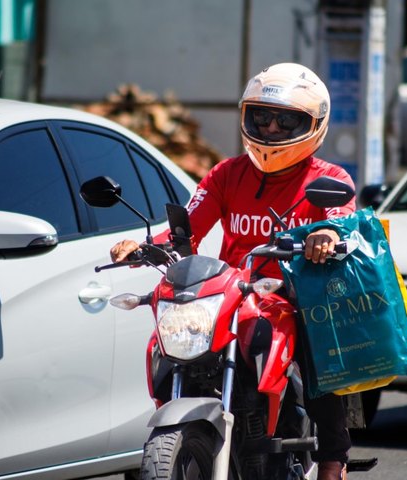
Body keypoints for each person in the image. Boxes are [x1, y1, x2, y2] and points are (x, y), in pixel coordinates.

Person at [110, 62, 356, 480]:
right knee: (172, 344)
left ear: (313, 124)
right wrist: (145, 247)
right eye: (262, 116)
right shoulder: (227, 173)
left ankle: (333, 460)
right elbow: (186, 228)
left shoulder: (328, 177)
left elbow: (341, 219)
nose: (272, 128)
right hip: (232, 292)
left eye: (287, 120)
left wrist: (327, 236)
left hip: (293, 296)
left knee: (319, 362)